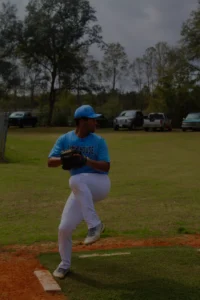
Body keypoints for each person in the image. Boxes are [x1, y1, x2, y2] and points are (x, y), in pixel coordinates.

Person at [48, 105, 111, 279]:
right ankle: (64, 264)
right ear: (82, 121)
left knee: (76, 179)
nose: (96, 122)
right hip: (80, 189)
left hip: (100, 184)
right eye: (92, 119)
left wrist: (85, 160)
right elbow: (50, 161)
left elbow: (106, 166)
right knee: (64, 227)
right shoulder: (65, 139)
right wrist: (64, 159)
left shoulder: (99, 141)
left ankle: (95, 225)